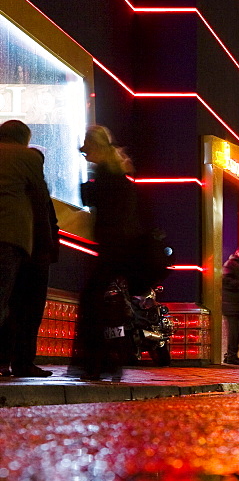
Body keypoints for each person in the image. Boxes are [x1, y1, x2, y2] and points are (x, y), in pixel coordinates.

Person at [70, 125, 148, 381]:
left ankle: (95, 361)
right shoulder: (119, 173)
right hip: (120, 249)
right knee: (102, 303)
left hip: (111, 248)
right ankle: (108, 358)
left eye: (87, 146)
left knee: (92, 302)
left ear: (97, 146)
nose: (83, 151)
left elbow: (89, 197)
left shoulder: (105, 174)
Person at [0, 120, 59, 378]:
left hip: (19, 242)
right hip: (19, 242)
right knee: (24, 307)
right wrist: (47, 246)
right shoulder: (27, 159)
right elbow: (41, 200)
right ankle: (21, 362)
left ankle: (5, 361)